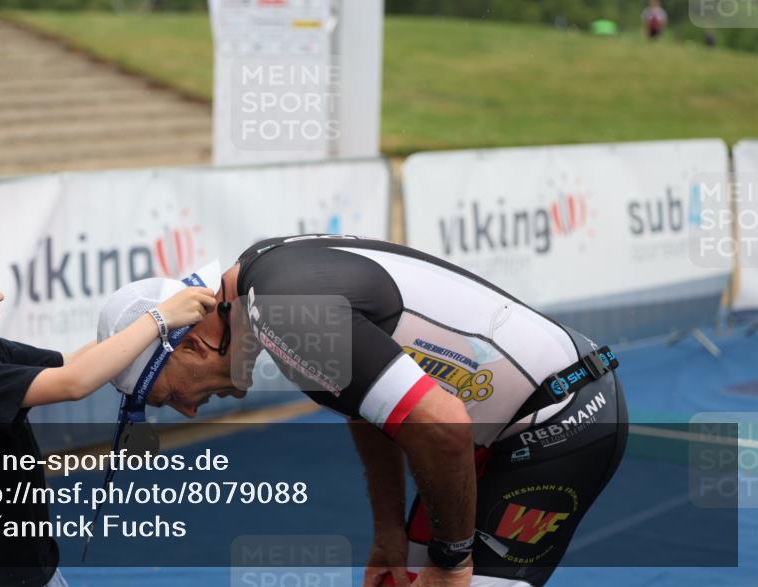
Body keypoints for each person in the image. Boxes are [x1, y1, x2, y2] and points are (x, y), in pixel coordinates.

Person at [97, 234, 627, 587]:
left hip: (564, 419)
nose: (187, 411)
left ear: (188, 346)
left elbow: (442, 429)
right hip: (514, 422)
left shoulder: (280, 312)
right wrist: (389, 532)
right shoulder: (260, 293)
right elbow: (370, 410)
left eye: (167, 396)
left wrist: (452, 560)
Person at [0, 216, 216, 587]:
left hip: (28, 568)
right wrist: (159, 319)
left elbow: (74, 361)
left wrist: (149, 311)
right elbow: (74, 383)